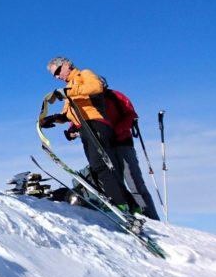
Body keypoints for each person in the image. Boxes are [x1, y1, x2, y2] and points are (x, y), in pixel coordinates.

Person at [40, 56, 130, 209]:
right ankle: (123, 202)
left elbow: (96, 87)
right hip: (84, 128)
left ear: (67, 64)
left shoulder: (84, 75)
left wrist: (69, 92)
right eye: (54, 75)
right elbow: (68, 114)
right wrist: (52, 119)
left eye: (58, 71)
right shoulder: (69, 89)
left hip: (96, 123)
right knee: (96, 166)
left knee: (101, 165)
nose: (57, 76)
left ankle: (121, 204)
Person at [106, 88, 161, 220]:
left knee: (134, 182)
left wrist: (116, 131)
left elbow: (131, 115)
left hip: (122, 143)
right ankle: (129, 215)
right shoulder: (88, 99)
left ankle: (150, 217)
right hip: (105, 145)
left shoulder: (115, 96)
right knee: (116, 183)